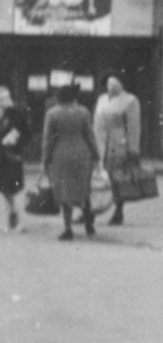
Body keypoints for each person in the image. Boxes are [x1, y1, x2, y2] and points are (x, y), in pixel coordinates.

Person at [42, 83, 98, 241]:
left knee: (65, 191)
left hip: (61, 155)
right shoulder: (83, 111)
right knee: (84, 189)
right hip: (82, 153)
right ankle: (89, 224)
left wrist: (45, 161)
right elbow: (89, 135)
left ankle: (68, 228)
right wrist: (96, 155)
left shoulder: (52, 113)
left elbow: (48, 140)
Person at [93, 74, 141, 226]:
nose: (111, 86)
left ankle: (118, 212)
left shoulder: (130, 100)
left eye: (114, 82)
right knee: (94, 179)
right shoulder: (101, 99)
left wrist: (133, 150)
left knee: (117, 179)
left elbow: (133, 127)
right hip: (99, 143)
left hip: (118, 145)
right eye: (108, 83)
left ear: (122, 83)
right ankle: (90, 211)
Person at [0, 86, 27, 231]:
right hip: (1, 156)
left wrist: (16, 138)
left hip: (13, 155)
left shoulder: (16, 113)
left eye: (4, 98)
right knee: (3, 187)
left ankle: (17, 219)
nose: (3, 101)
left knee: (14, 188)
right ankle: (13, 212)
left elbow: (26, 133)